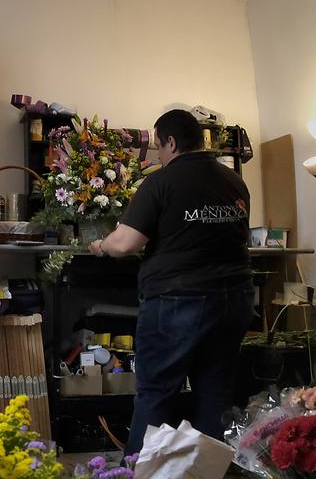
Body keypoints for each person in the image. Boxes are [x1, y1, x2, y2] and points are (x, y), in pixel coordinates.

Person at [88, 109, 253, 456]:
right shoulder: (233, 181)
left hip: (178, 301)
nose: (158, 155)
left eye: (159, 146)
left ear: (172, 142)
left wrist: (101, 245)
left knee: (157, 391)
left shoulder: (162, 182)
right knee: (215, 392)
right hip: (234, 299)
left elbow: (126, 243)